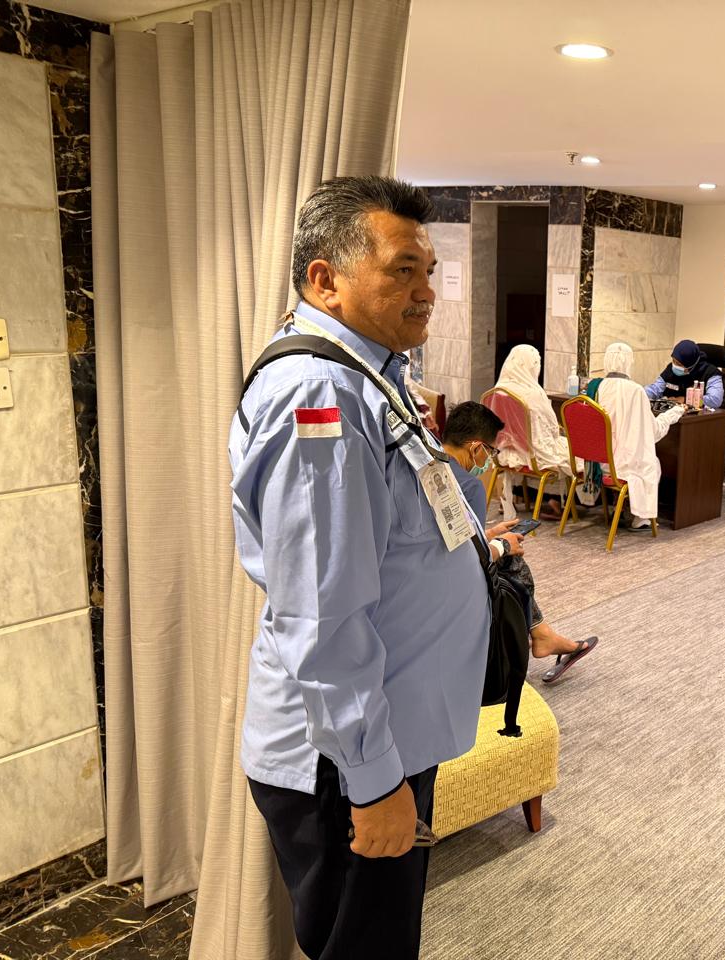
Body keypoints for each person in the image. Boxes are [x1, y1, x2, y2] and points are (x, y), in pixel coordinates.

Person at [229, 177, 489, 960]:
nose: (427, 291)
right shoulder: (322, 395)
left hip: (381, 741)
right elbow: (322, 615)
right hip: (344, 763)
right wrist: (373, 781)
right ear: (325, 279)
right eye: (403, 270)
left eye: (429, 271)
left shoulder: (369, 374)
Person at [441, 401, 599, 683]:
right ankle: (542, 635)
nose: (490, 460)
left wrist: (489, 533)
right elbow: (466, 559)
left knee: (507, 550)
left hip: (425, 570)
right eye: (491, 452)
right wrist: (502, 545)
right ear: (476, 448)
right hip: (451, 583)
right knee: (512, 560)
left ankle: (542, 634)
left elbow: (448, 538)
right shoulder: (468, 485)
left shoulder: (430, 468)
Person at [594, 342, 684, 530]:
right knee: (652, 464)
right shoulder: (635, 391)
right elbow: (653, 432)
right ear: (629, 362)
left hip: (596, 462)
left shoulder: (596, 387)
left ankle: (620, 506)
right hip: (621, 467)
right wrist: (673, 414)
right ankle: (640, 518)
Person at [491, 344, 572, 518]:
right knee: (571, 452)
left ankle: (513, 495)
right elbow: (550, 429)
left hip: (504, 453)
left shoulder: (498, 391)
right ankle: (554, 500)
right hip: (530, 456)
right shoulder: (533, 394)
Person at [645, 338, 724, 409]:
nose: (675, 365)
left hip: (699, 417)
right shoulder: (671, 368)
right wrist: (641, 393)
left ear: (691, 364)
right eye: (673, 361)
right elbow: (655, 389)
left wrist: (685, 400)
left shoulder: (711, 373)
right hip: (671, 413)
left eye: (679, 364)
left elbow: (715, 400)